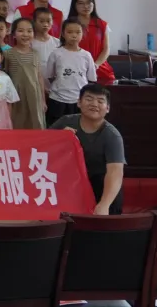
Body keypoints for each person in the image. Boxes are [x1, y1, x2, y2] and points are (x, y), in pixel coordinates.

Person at [50, 84, 126, 214]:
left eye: (100, 101)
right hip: (70, 185)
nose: (94, 104)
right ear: (79, 103)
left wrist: (104, 204)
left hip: (100, 187)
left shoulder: (112, 135)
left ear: (107, 108)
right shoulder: (65, 122)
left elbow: (115, 172)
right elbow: (41, 145)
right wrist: (59, 138)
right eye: (89, 99)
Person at [44, 19, 97, 125]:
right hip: (58, 99)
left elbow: (91, 79)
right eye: (70, 32)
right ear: (63, 34)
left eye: (78, 32)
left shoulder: (86, 55)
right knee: (57, 128)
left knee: (78, 129)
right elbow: (50, 76)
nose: (74, 35)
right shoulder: (56, 53)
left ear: (82, 34)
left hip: (79, 100)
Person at [4, 18, 46, 130]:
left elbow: (39, 77)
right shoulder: (8, 54)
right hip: (16, 96)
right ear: (13, 34)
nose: (25, 34)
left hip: (34, 95)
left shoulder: (36, 54)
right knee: (17, 123)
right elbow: (4, 77)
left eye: (29, 31)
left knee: (35, 123)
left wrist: (43, 100)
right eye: (21, 31)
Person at [68, 0, 115, 85]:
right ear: (75, 5)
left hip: (100, 70)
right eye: (81, 3)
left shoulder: (102, 24)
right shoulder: (68, 25)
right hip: (76, 70)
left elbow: (106, 49)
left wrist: (95, 65)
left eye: (89, 3)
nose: (86, 6)